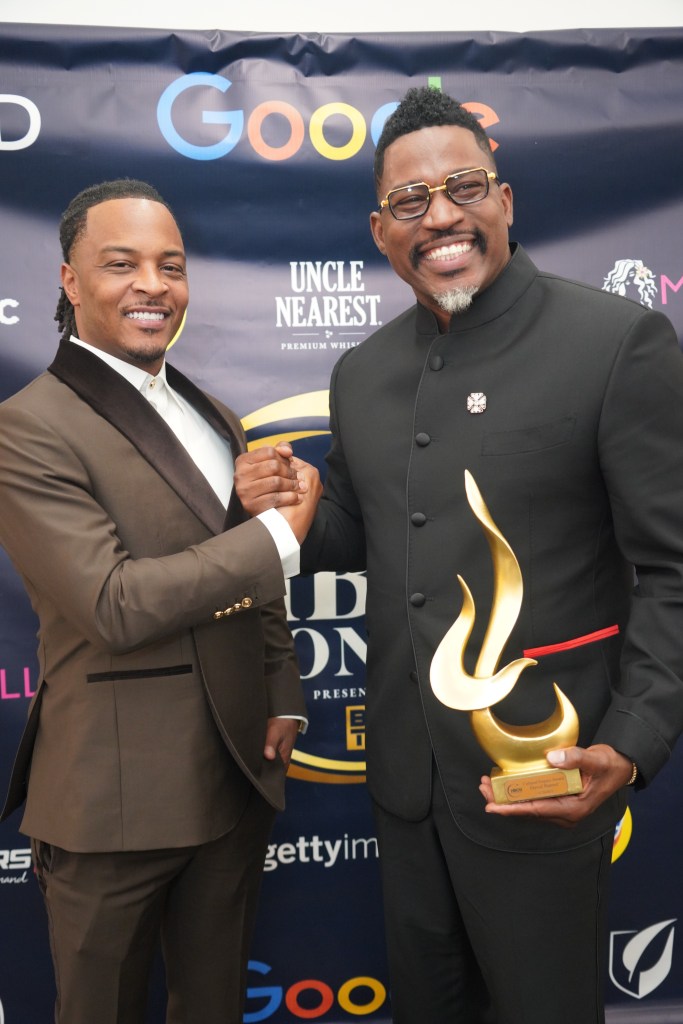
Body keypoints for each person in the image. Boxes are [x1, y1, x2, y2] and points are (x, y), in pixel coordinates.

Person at [233, 87, 683, 1024]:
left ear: (504, 201)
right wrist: (299, 510)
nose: (439, 215)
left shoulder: (613, 344)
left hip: (543, 776)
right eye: (409, 201)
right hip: (405, 788)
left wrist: (632, 741)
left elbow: (673, 570)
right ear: (380, 231)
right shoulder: (361, 373)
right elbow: (365, 537)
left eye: (463, 187)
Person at [0, 179, 320, 1024]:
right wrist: (277, 538)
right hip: (113, 800)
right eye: (121, 264)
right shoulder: (26, 427)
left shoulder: (214, 414)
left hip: (233, 775)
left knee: (214, 1007)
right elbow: (112, 603)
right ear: (70, 281)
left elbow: (249, 578)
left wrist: (281, 688)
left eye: (170, 266)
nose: (152, 285)